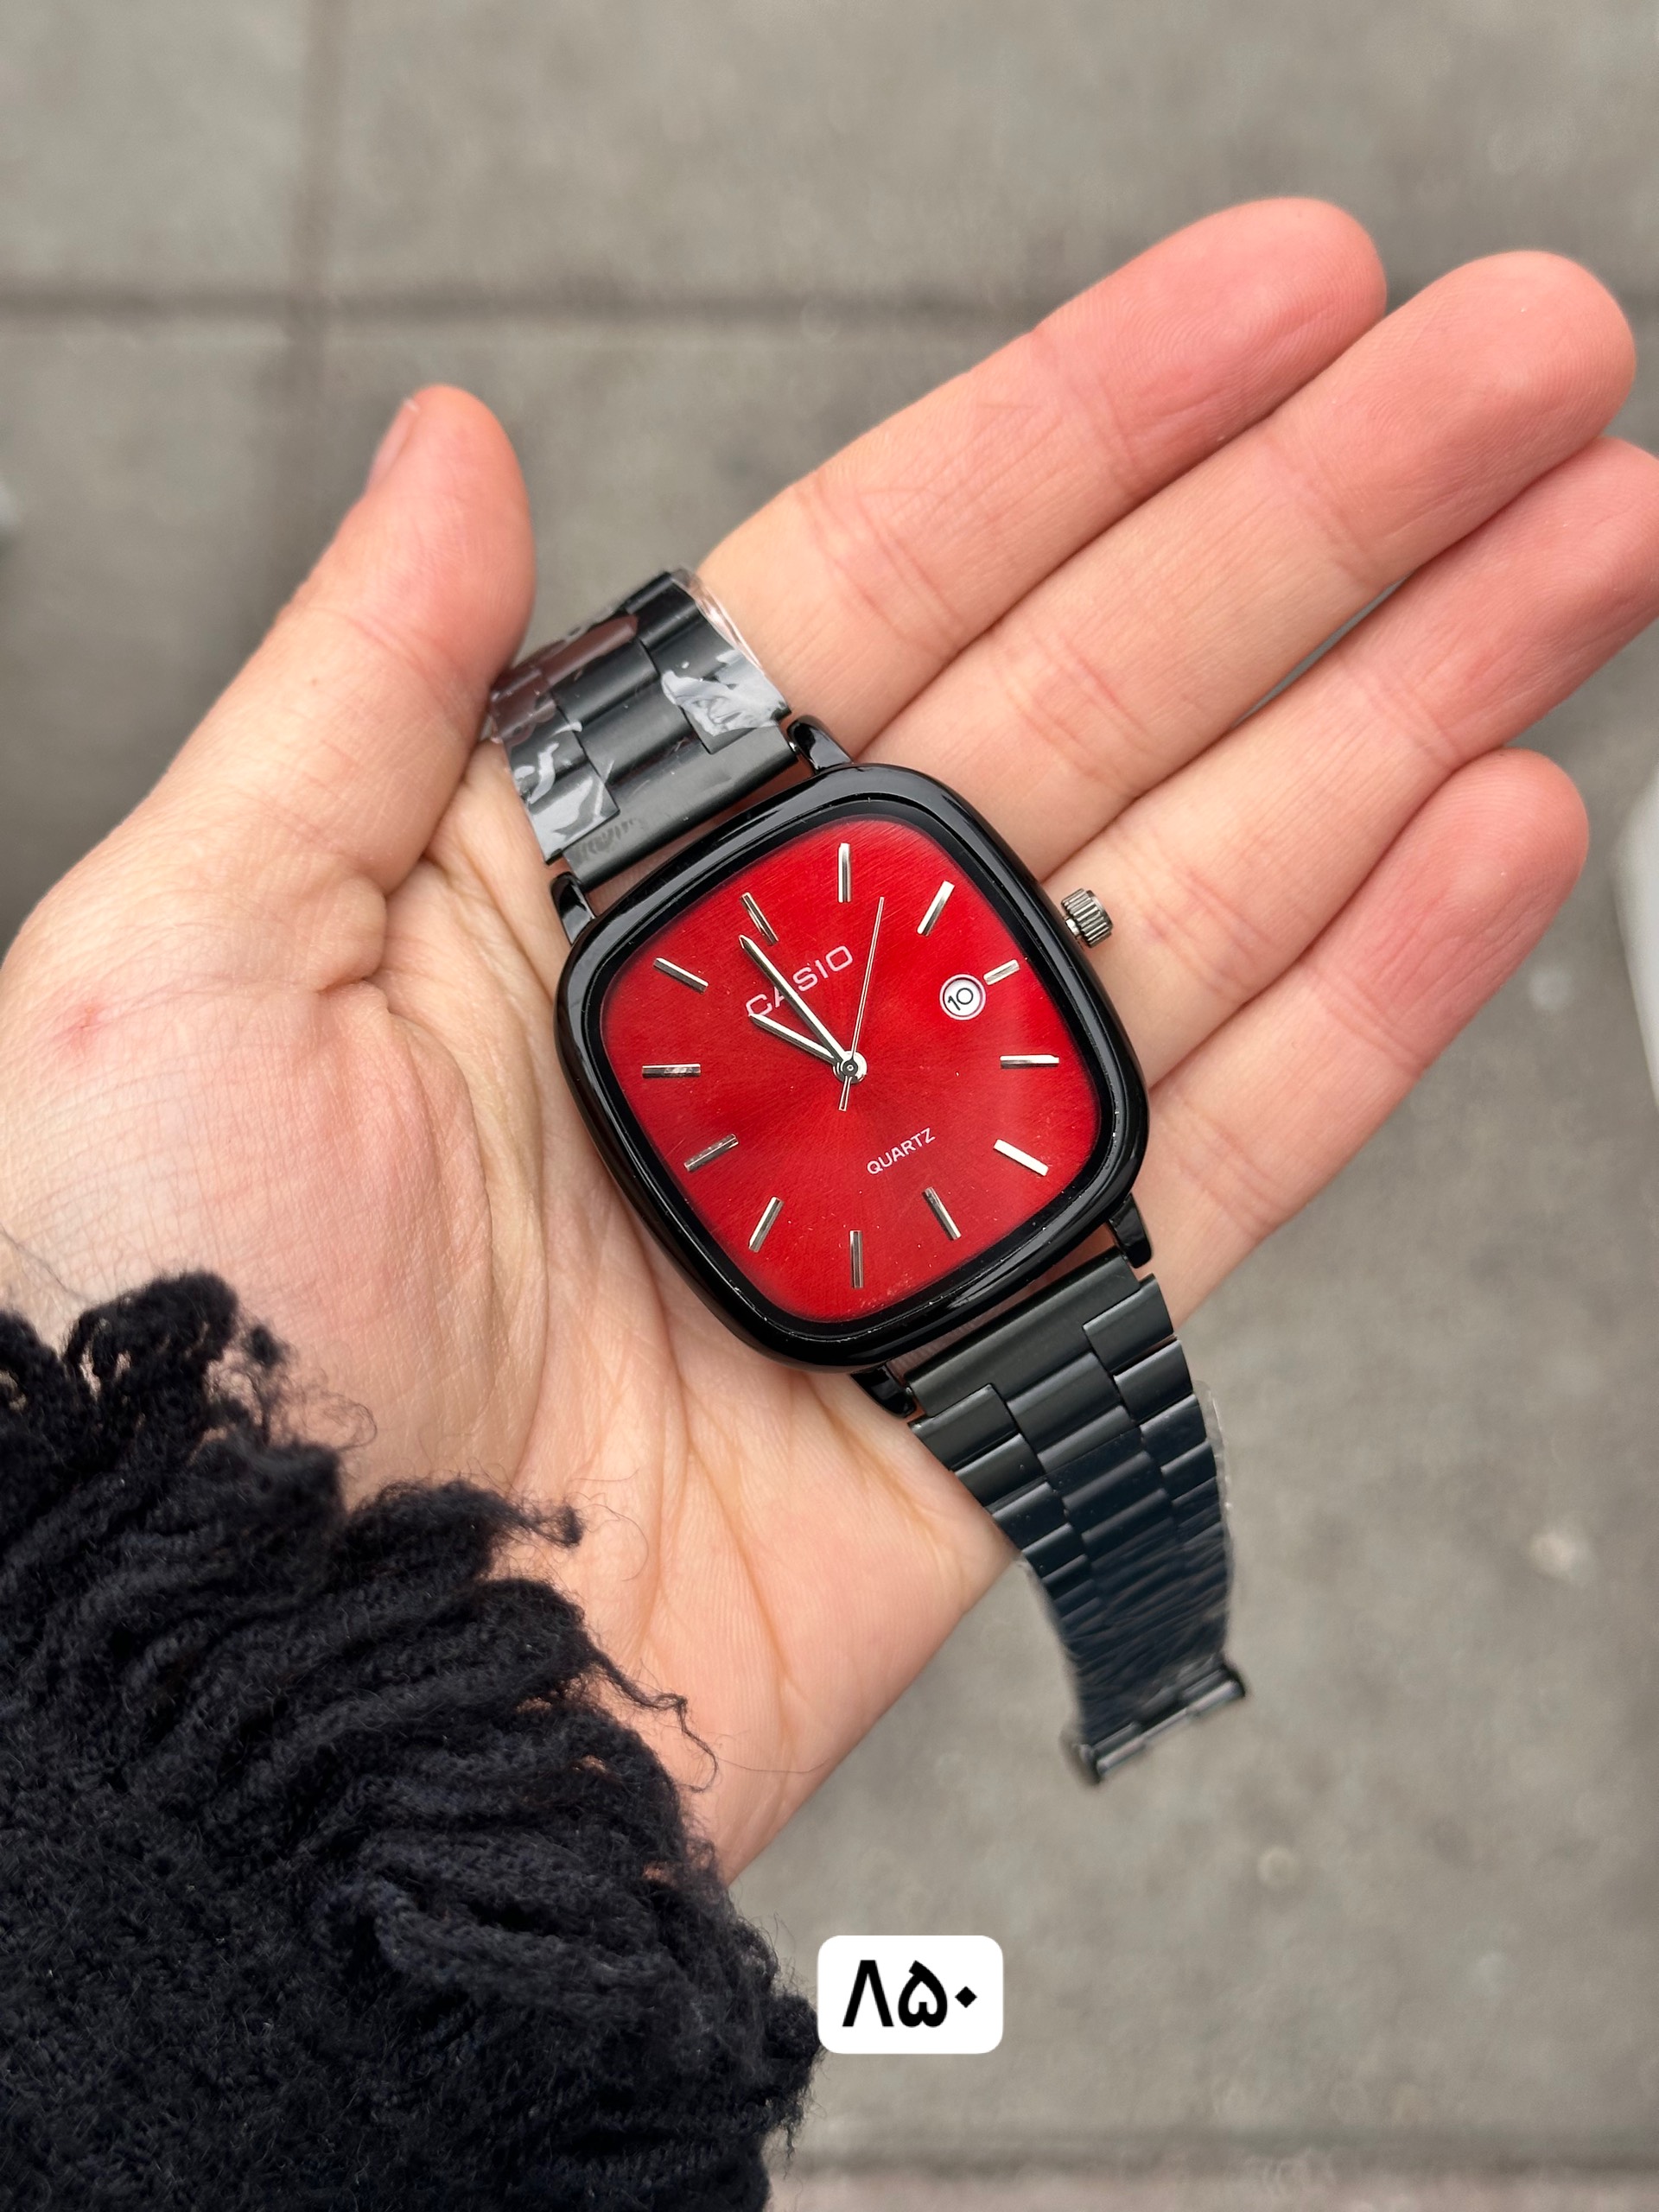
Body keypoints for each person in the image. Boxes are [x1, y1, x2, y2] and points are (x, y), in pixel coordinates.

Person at [0, 200, 1654, 2208]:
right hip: (905, 1242)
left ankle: (1162, 1650)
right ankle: (1162, 1650)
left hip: (998, 1200)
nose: (838, 1060)